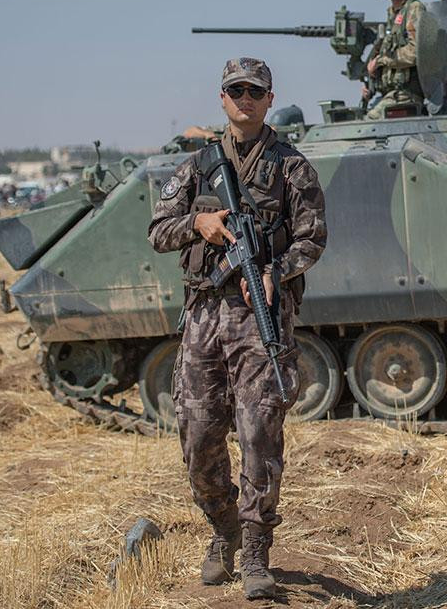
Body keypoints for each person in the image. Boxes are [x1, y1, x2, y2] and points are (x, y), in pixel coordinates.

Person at [147, 57, 327, 599]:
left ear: (270, 98)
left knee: (259, 434)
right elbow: (158, 232)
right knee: (198, 435)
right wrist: (197, 222)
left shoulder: (292, 167)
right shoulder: (198, 167)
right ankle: (223, 526)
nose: (245, 99)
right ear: (222, 98)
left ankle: (254, 548)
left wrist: (275, 272)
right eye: (236, 90)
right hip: (203, 316)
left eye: (255, 91)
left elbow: (312, 239)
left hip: (259, 317)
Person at [363, 0, 426, 119]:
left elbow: (416, 52)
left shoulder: (414, 9)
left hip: (407, 94)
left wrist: (381, 60)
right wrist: (373, 81)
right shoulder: (393, 13)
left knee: (370, 122)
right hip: (391, 93)